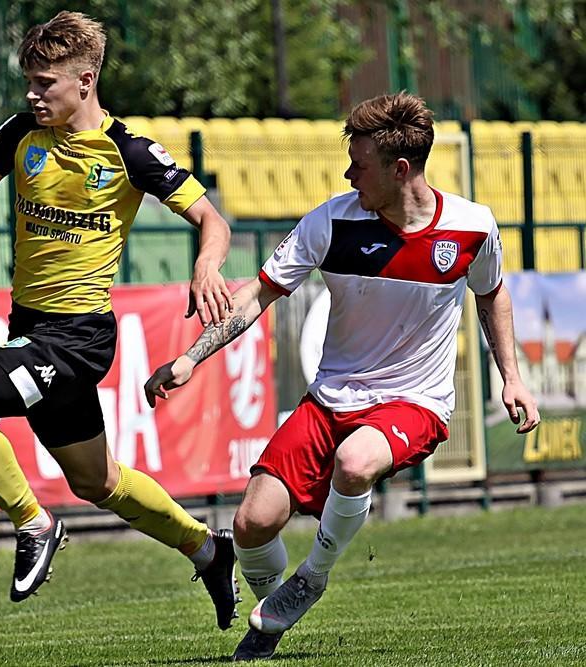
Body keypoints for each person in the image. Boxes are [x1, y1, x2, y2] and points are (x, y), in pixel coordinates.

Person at [144, 92, 541, 660]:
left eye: (359, 164)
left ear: (399, 169)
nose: (348, 175)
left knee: (355, 463)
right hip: (331, 397)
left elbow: (491, 293)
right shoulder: (331, 221)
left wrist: (513, 378)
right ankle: (271, 615)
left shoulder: (472, 228)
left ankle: (313, 576)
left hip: (415, 401)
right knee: (252, 522)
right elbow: (257, 295)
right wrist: (189, 358)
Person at [0, 11, 241, 629]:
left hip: (76, 339)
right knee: (98, 482)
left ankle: (33, 524)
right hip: (31, 331)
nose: (32, 95)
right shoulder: (21, 134)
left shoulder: (129, 151)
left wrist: (207, 267)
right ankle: (207, 549)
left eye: (45, 83)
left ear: (86, 81)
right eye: (29, 83)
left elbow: (212, 220)